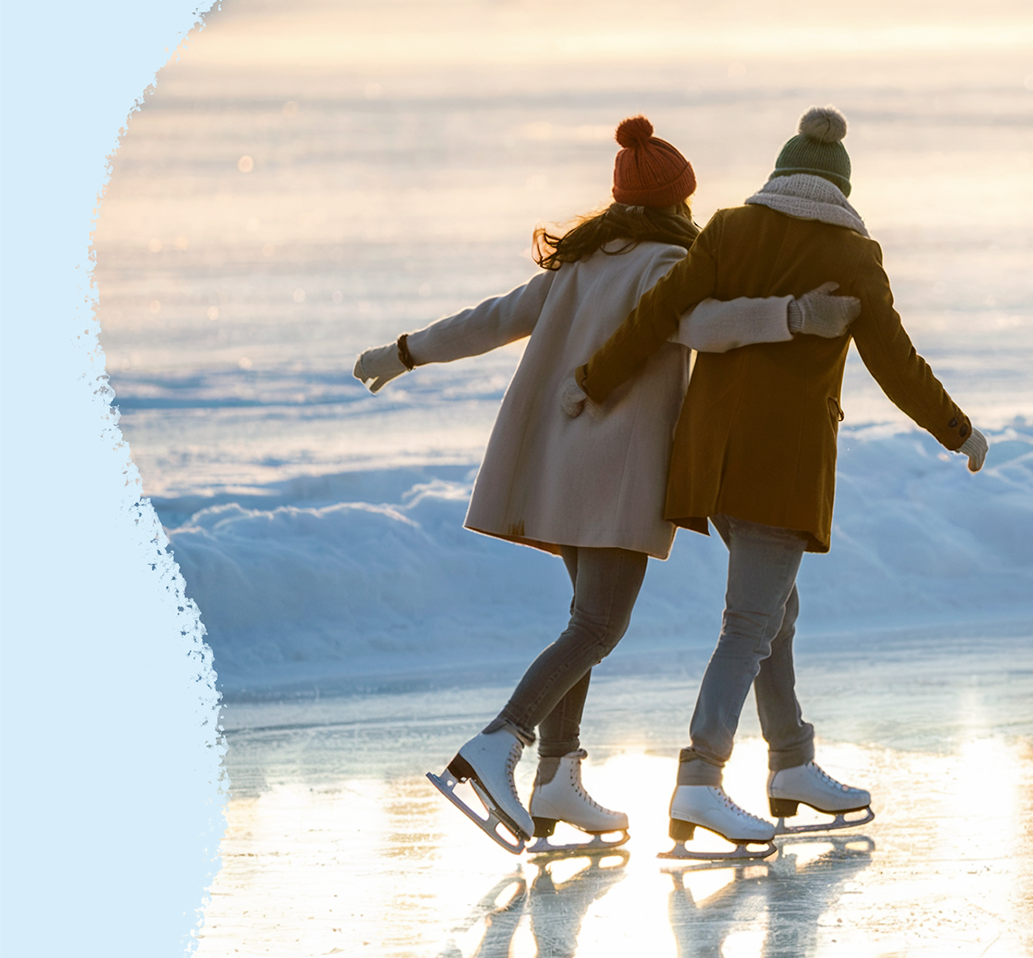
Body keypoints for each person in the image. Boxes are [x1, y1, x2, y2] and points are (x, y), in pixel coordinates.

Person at [351, 116, 861, 856]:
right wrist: (796, 315)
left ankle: (557, 776)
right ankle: (501, 741)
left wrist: (405, 353)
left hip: (550, 470)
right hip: (613, 476)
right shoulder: (662, 268)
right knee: (598, 626)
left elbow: (489, 320)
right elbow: (710, 327)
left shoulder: (576, 267)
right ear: (677, 205)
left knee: (581, 620)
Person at [570, 106, 987, 861]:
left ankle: (791, 762)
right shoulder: (853, 255)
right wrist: (957, 430)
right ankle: (699, 775)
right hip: (780, 468)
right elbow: (895, 360)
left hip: (710, 460)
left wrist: (596, 379)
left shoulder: (730, 229)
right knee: (750, 626)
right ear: (839, 186)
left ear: (781, 175)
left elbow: (659, 310)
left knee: (774, 615)